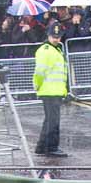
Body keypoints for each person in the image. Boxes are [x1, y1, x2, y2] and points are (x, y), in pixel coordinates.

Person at [31, 27, 68, 157]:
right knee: (53, 121)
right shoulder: (46, 50)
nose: (56, 39)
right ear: (48, 35)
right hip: (50, 90)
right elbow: (40, 71)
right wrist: (37, 85)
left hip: (54, 90)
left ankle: (41, 147)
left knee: (49, 120)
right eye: (54, 36)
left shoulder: (54, 49)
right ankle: (51, 147)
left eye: (58, 37)